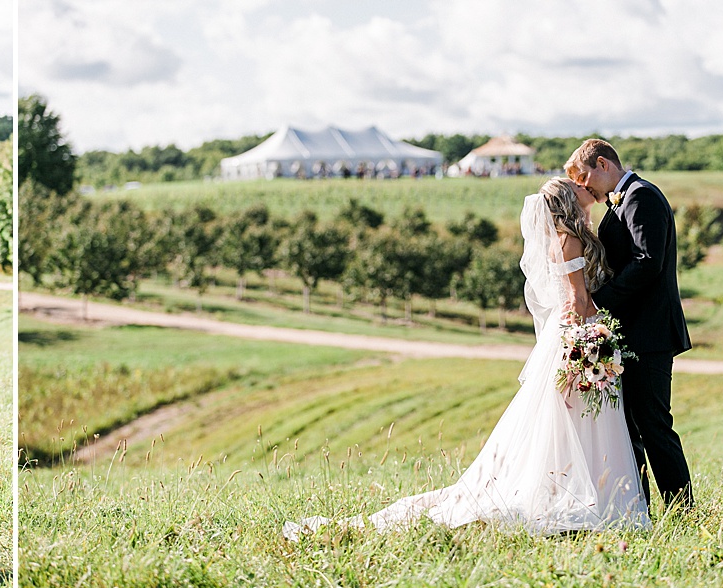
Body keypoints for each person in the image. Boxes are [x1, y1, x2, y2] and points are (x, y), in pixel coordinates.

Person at [285, 178, 649, 539]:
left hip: (574, 330)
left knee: (573, 417)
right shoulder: (568, 241)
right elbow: (577, 301)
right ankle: (579, 498)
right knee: (571, 416)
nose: (585, 189)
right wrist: (592, 338)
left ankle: (584, 494)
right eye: (577, 188)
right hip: (576, 332)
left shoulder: (570, 237)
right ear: (569, 201)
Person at [566, 139, 693, 509]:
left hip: (649, 333)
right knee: (629, 428)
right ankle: (638, 507)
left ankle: (681, 509)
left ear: (603, 164)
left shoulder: (640, 196)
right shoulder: (624, 199)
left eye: (587, 176)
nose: (586, 186)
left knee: (654, 424)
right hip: (630, 332)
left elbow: (647, 262)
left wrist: (598, 302)